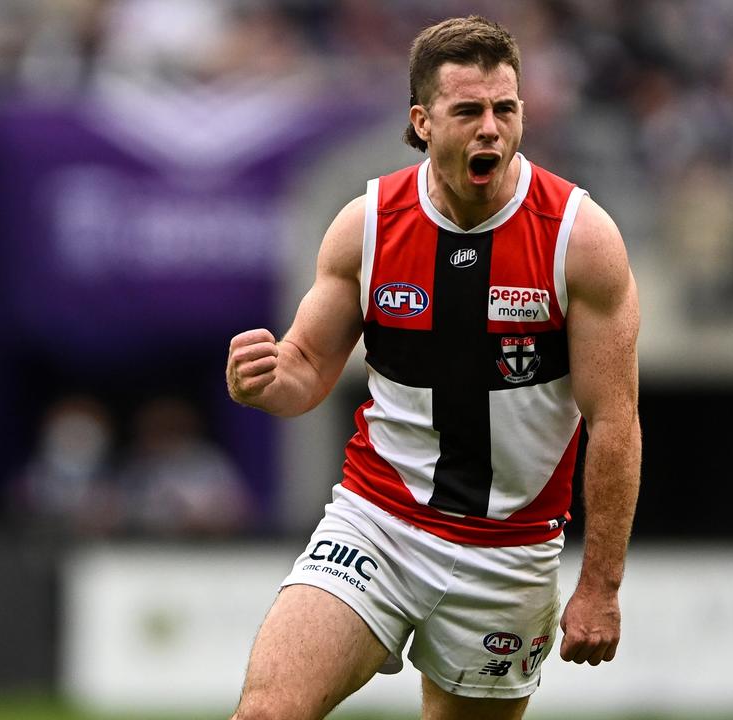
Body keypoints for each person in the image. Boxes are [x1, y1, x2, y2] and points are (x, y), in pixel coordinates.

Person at [225, 15, 640, 720]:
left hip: (508, 557)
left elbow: (615, 422)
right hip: (376, 523)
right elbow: (305, 373)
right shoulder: (369, 224)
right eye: (468, 111)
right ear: (422, 121)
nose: (491, 129)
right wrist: (261, 381)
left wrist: (599, 585)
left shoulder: (581, 238)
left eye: (505, 109)